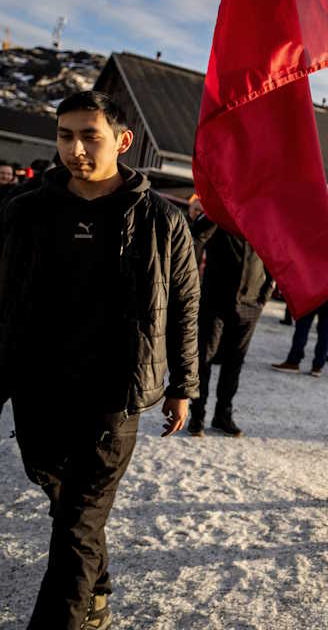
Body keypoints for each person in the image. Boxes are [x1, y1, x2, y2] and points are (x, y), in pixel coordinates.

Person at [0, 90, 199, 630]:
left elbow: (183, 306)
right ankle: (99, 588)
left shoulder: (162, 219)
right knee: (67, 508)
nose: (75, 148)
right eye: (65, 135)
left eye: (90, 135)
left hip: (114, 394)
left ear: (122, 140)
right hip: (39, 390)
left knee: (77, 522)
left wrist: (184, 384)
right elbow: (3, 300)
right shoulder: (24, 211)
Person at [188, 214, 274, 437]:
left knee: (234, 362)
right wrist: (192, 279)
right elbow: (197, 236)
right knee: (204, 358)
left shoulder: (265, 222)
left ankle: (222, 415)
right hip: (215, 301)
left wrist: (263, 298)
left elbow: (275, 258)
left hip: (249, 305)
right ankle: (197, 414)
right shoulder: (221, 213)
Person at [272, 213, 328, 377]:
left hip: (321, 292)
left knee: (303, 325)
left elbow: (315, 265)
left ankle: (293, 361)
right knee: (325, 331)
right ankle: (317, 366)